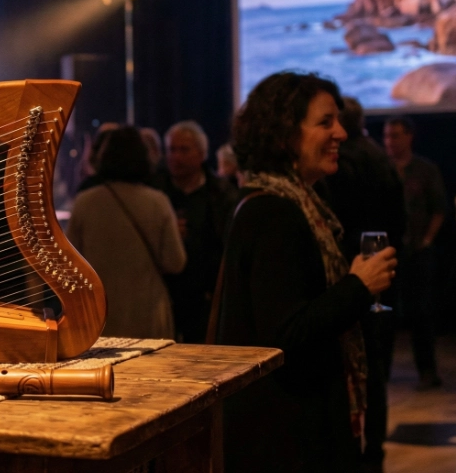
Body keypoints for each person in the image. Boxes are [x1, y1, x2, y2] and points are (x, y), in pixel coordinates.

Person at [218, 71, 397, 473]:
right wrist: (359, 286)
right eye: (325, 122)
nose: (341, 133)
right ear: (284, 134)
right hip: (285, 436)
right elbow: (285, 334)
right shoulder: (275, 212)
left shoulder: (291, 203)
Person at [319, 96, 406, 473]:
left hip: (352, 277)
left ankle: (357, 451)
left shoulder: (340, 165)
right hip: (384, 270)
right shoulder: (381, 158)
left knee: (355, 367)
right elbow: (400, 219)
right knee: (377, 370)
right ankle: (375, 450)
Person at [68, 126, 185, 338]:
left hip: (98, 314)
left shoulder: (85, 202)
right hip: (147, 312)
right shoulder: (157, 202)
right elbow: (175, 262)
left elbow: (70, 261)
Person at [158, 120, 237, 342]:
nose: (176, 157)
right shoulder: (156, 191)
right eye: (171, 150)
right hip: (166, 292)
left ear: (202, 154)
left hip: (205, 296)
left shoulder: (222, 194)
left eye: (184, 150)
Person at [383, 115, 446, 389]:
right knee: (384, 313)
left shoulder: (424, 169)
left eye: (395, 135)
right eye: (387, 136)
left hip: (417, 251)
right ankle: (381, 371)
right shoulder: (380, 169)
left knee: (421, 312)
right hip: (387, 253)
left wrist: (427, 240)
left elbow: (438, 208)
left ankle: (427, 371)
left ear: (409, 136)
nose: (390, 141)